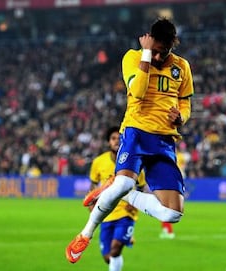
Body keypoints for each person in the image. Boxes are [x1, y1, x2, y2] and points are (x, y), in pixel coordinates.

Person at [66, 17, 194, 264]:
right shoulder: (133, 57)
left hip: (165, 140)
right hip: (136, 132)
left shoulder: (182, 67)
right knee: (125, 184)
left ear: (172, 47)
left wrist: (182, 118)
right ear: (150, 41)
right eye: (155, 51)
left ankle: (117, 188)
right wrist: (146, 53)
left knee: (173, 213)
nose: (158, 57)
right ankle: (85, 234)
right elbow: (137, 91)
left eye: (163, 53)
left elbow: (186, 102)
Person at [87, 126, 146, 271]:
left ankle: (124, 237)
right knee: (108, 257)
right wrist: (91, 203)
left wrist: (135, 204)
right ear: (108, 142)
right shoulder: (98, 162)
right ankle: (126, 238)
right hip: (106, 213)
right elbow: (93, 185)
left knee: (115, 249)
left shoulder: (134, 161)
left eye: (120, 138)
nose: (117, 141)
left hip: (126, 212)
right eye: (113, 138)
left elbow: (141, 185)